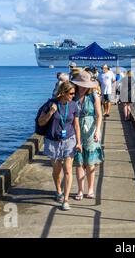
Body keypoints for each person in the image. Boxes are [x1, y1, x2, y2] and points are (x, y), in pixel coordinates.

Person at [38, 82, 81, 211]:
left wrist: (79, 142)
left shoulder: (73, 105)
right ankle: (58, 191)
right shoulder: (50, 104)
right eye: (71, 94)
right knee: (57, 171)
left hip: (69, 140)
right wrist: (51, 112)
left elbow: (76, 125)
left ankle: (66, 200)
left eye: (74, 94)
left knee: (68, 170)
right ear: (63, 93)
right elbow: (41, 122)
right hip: (53, 142)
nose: (73, 96)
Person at [71, 71, 104, 200]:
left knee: (90, 162)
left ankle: (90, 190)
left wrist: (97, 130)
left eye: (86, 85)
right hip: (75, 129)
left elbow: (99, 115)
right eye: (82, 85)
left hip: (91, 129)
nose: (84, 88)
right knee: (79, 162)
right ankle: (80, 190)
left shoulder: (93, 95)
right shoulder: (73, 96)